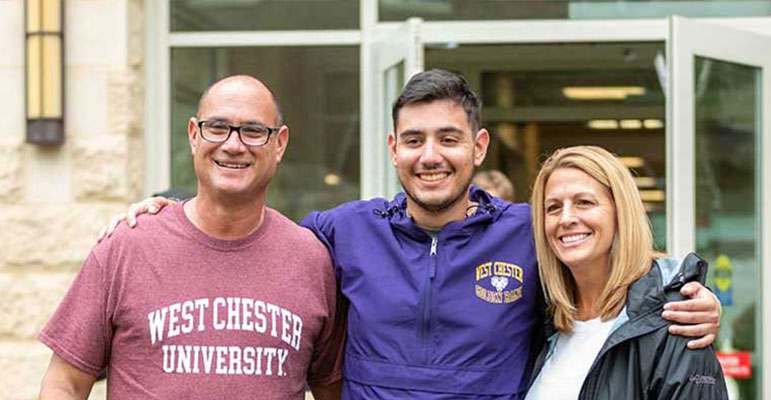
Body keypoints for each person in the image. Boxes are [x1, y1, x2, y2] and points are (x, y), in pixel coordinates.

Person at [100, 69, 720, 399]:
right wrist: (170, 207)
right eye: (415, 140)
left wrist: (688, 291)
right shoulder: (340, 231)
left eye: (448, 139)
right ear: (393, 149)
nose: (432, 156)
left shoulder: (527, 233)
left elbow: (605, 254)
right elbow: (252, 231)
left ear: (477, 147)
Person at [38, 76, 344, 400]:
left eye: (253, 131)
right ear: (193, 135)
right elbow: (64, 384)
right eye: (217, 127)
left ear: (279, 143)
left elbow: (332, 390)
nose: (233, 145)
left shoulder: (312, 259)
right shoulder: (128, 247)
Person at [526, 145, 726, 399]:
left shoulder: (677, 322)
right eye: (553, 207)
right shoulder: (539, 320)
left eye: (584, 202)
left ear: (620, 212)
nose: (566, 218)